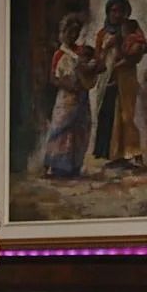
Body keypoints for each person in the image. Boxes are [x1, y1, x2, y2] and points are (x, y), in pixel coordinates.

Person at [93, 0, 147, 167]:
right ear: (108, 12)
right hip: (108, 78)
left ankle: (134, 153)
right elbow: (98, 59)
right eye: (113, 10)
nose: (116, 14)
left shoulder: (131, 28)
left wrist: (125, 50)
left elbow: (140, 49)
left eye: (120, 11)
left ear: (126, 12)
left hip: (126, 78)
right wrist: (107, 48)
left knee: (127, 115)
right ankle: (116, 156)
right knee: (110, 115)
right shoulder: (102, 34)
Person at [44, 13, 97, 178]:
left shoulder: (81, 51)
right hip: (66, 98)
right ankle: (57, 165)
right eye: (69, 32)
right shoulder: (59, 54)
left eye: (76, 32)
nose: (72, 35)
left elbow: (94, 65)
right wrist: (67, 84)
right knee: (61, 128)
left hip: (81, 96)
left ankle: (74, 165)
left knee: (80, 129)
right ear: (62, 32)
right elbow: (53, 77)